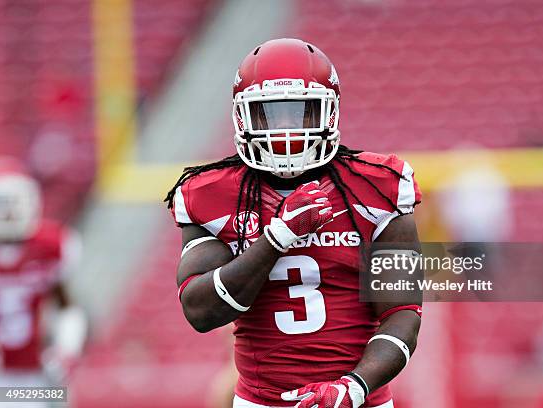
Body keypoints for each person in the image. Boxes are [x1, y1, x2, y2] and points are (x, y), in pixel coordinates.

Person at [166, 38, 422, 408]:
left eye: (300, 113)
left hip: (361, 400)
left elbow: (403, 314)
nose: (285, 133)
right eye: (269, 115)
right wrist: (276, 238)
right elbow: (201, 312)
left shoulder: (377, 186)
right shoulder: (210, 193)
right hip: (261, 402)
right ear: (242, 117)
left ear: (329, 113)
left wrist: (353, 387)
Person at [0, 158, 87, 403]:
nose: (7, 214)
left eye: (12, 204)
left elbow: (67, 306)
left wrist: (66, 351)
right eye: (1, 205)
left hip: (36, 373)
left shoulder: (49, 247)